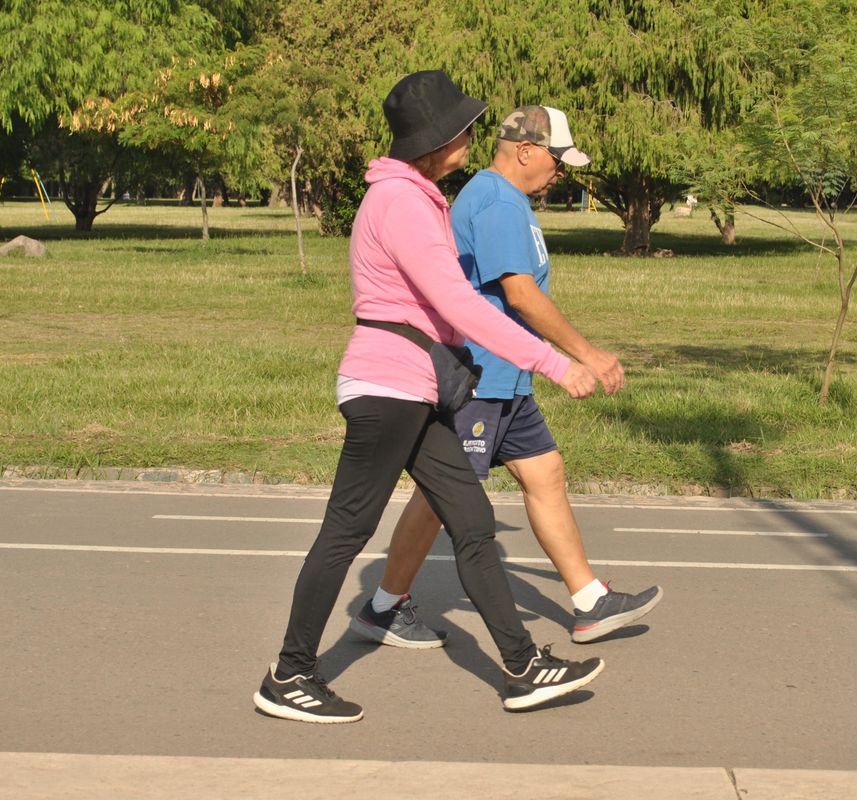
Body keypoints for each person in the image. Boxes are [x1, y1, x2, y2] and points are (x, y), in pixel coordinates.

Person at [254, 73, 606, 724]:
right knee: (346, 530)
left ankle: (523, 667)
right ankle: (290, 675)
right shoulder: (401, 202)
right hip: (388, 387)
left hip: (416, 390)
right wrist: (555, 362)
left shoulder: (415, 196)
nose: (472, 136)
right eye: (464, 128)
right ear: (438, 139)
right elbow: (460, 303)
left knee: (472, 522)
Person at [350, 106, 662, 651]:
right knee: (442, 496)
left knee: (546, 473)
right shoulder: (495, 200)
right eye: (557, 161)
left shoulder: (509, 200)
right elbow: (519, 294)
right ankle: (384, 607)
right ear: (525, 151)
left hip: (509, 377)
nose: (560, 173)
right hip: (481, 378)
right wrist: (585, 355)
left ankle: (589, 600)